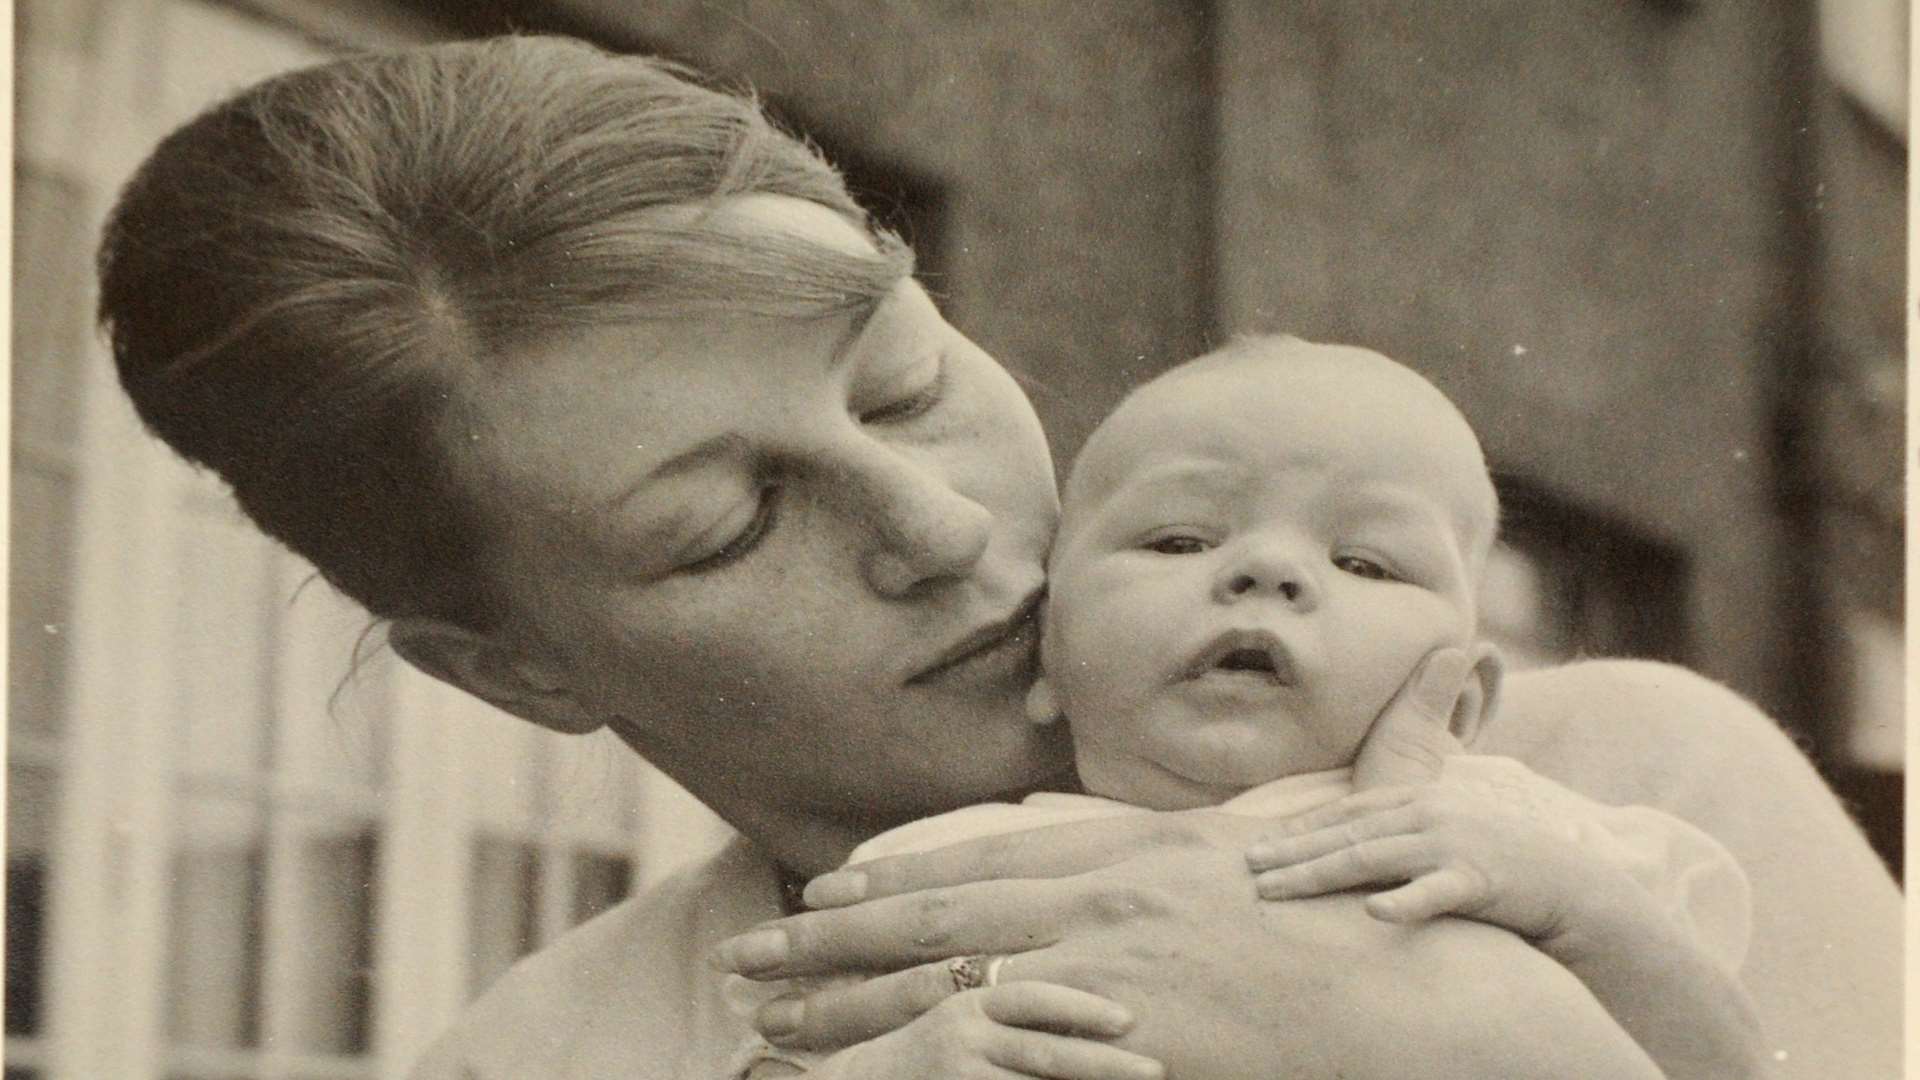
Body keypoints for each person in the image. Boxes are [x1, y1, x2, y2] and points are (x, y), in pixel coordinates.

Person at [93, 34, 1899, 1080]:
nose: (941, 523)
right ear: (517, 670)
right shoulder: (549, 1064)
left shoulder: (1630, 792)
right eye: (729, 524)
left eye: (906, 378)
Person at [728, 336, 1759, 1080]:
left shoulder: (1520, 840)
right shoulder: (948, 872)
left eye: (1363, 559)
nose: (1268, 569)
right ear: (1045, 651)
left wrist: (1583, 907)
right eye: (1179, 540)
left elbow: (1722, 1060)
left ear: (1463, 700)